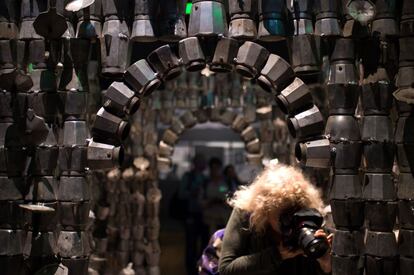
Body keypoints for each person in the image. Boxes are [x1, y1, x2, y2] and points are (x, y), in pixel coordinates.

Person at [219, 163, 332, 275]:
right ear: (264, 210)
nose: (292, 220)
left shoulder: (306, 220)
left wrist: (325, 264)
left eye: (295, 211)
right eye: (285, 215)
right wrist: (277, 255)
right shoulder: (245, 214)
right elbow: (226, 269)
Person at [179, 154, 210, 275]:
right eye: (201, 161)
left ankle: (201, 268)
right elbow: (181, 194)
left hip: (204, 214)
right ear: (196, 163)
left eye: (204, 162)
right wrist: (192, 192)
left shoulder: (205, 178)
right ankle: (190, 271)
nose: (204, 164)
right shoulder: (188, 176)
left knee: (204, 243)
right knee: (191, 244)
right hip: (191, 214)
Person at [203, 158, 232, 235]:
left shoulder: (226, 183)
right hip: (209, 219)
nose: (215, 170)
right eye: (213, 168)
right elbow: (201, 201)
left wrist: (222, 201)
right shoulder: (205, 183)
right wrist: (210, 201)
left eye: (217, 168)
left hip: (224, 219)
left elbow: (230, 199)